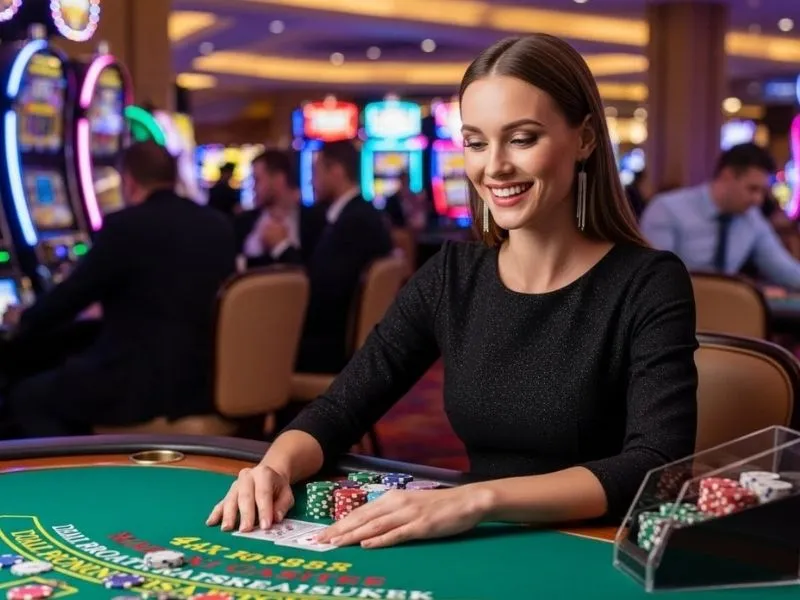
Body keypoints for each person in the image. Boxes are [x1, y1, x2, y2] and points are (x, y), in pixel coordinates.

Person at [207, 34, 698, 548]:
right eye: (476, 142)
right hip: (477, 543)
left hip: (593, 549)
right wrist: (274, 467)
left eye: (523, 138)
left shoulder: (648, 282)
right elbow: (340, 409)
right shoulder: (453, 276)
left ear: (586, 139)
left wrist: (480, 498)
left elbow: (656, 466)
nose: (494, 167)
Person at [2, 141, 237, 438]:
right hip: (202, 382)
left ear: (128, 180)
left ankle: (81, 478)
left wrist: (22, 319)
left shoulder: (124, 227)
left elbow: (71, 297)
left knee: (27, 396)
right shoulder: (217, 224)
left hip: (142, 388)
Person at [640, 143, 800, 289]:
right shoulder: (666, 209)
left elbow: (785, 269)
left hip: (726, 312)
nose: (758, 200)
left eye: (763, 192)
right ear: (727, 176)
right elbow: (656, 280)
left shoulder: (752, 218)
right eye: (752, 189)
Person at [294, 140, 394, 373]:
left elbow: (319, 291)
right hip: (353, 341)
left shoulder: (354, 223)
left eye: (315, 172)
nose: (311, 180)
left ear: (336, 171)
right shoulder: (364, 213)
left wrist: (283, 249)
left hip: (333, 347)